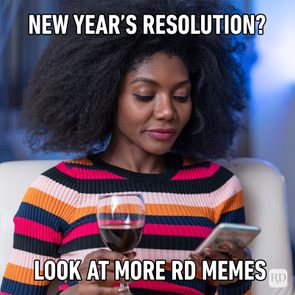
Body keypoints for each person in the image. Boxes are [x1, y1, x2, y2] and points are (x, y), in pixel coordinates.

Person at [1, 0, 251, 294]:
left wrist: (236, 277)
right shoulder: (57, 190)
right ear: (105, 96)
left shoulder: (217, 187)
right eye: (145, 95)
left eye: (181, 96)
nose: (167, 112)